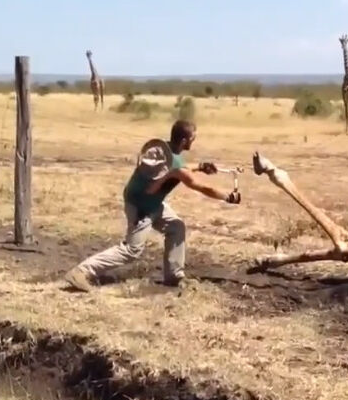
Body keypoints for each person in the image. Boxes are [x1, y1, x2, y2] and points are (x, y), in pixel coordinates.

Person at [64, 120, 240, 292]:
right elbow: (200, 186)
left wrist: (200, 167)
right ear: (184, 141)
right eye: (193, 138)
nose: (194, 141)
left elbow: (177, 168)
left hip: (150, 202)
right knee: (131, 250)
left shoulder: (164, 151)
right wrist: (228, 197)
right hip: (141, 208)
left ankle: (174, 276)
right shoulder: (174, 163)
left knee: (176, 227)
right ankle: (81, 271)